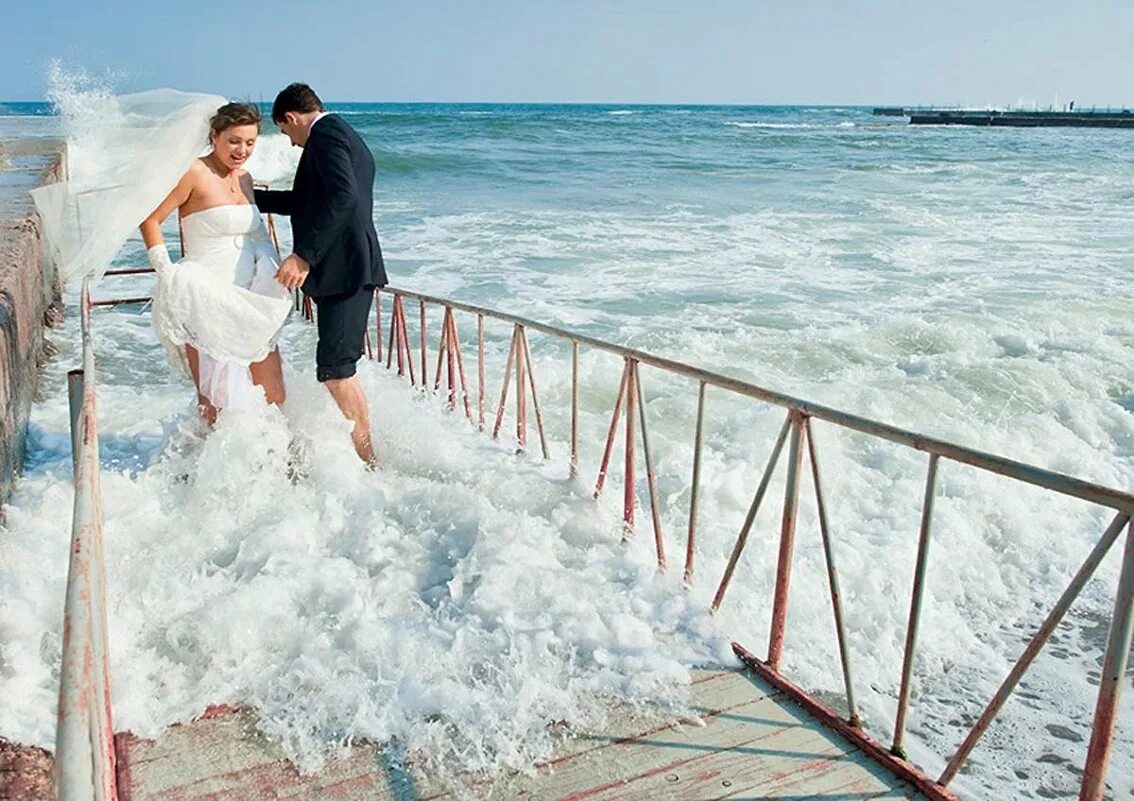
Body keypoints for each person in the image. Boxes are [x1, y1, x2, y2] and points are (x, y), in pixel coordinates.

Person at [255, 83, 388, 466]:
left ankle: (369, 462)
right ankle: (366, 458)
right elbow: (307, 201)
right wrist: (249, 195)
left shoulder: (325, 136)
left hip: (347, 270)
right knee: (335, 368)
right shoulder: (342, 133)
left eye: (285, 132)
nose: (292, 143)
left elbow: (342, 197)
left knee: (336, 371)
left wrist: (304, 257)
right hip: (347, 268)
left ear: (292, 118)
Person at [140, 102, 292, 424]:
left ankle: (274, 470)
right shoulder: (194, 172)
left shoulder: (246, 178)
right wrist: (167, 273)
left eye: (250, 142)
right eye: (234, 141)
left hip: (248, 299)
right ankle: (204, 471)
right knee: (216, 405)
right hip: (205, 296)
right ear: (215, 136)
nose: (242, 150)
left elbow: (257, 232)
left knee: (274, 395)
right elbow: (150, 219)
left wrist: (272, 269)